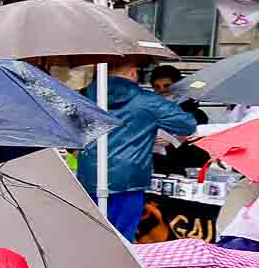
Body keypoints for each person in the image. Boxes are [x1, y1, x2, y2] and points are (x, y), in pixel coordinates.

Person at [75, 57, 197, 238]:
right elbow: (187, 125)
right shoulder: (148, 101)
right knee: (123, 240)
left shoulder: (81, 98)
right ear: (133, 72)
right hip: (128, 179)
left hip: (88, 176)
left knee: (90, 237)